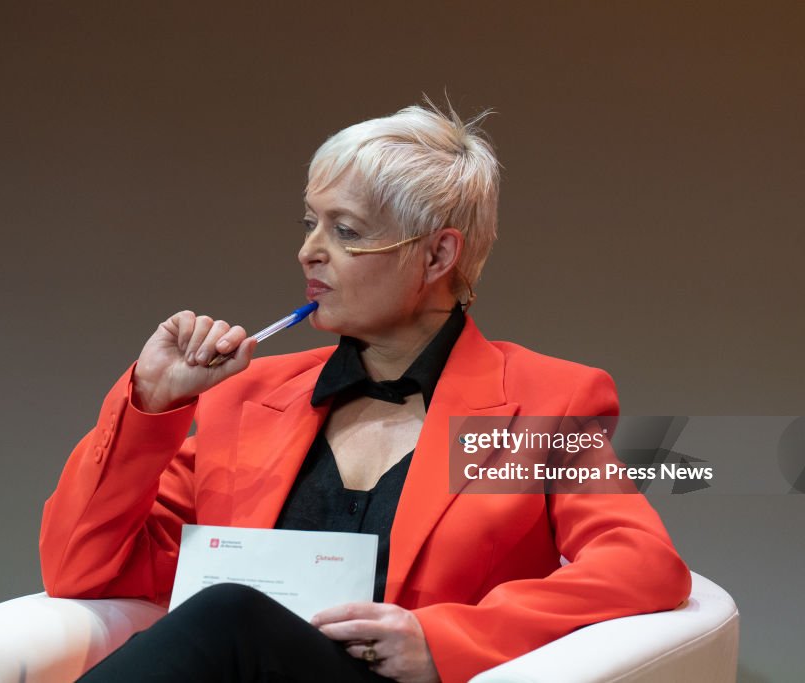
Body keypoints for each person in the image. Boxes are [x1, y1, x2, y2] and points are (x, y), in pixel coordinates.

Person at [39, 101, 691, 683]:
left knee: (231, 612)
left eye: (345, 231)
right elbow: (83, 567)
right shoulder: (249, 398)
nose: (308, 252)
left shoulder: (545, 403)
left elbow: (641, 565)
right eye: (309, 224)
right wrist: (153, 406)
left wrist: (445, 640)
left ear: (438, 257)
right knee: (228, 615)